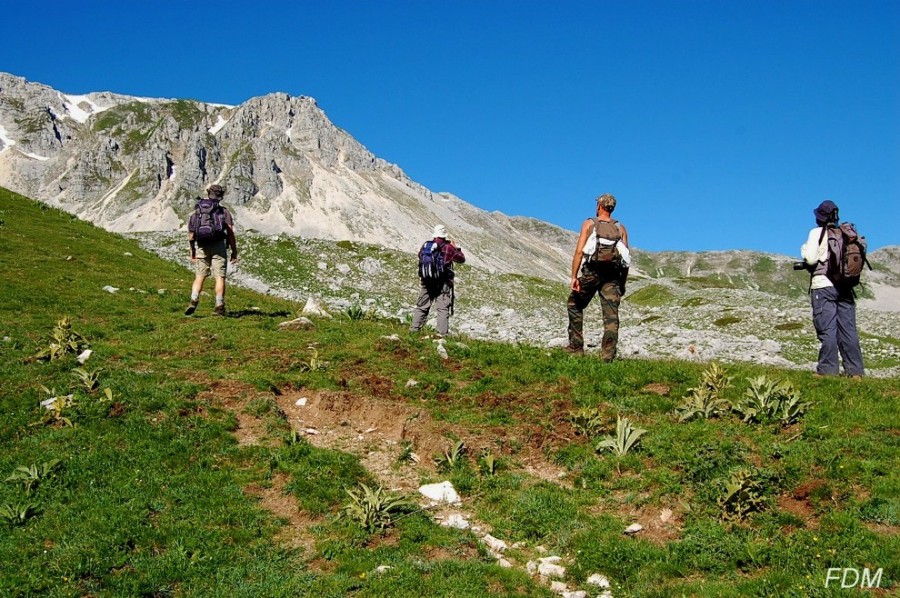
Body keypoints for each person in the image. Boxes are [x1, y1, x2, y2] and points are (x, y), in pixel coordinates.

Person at [800, 199, 864, 377]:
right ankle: (855, 371)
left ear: (819, 217)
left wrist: (804, 249)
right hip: (845, 287)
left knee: (827, 328)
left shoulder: (817, 233)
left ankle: (828, 370)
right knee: (848, 330)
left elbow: (811, 259)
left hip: (824, 286)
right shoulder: (846, 233)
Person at [566, 193, 630, 361]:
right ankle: (608, 356)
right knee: (611, 317)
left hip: (592, 274)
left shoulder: (589, 224)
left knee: (574, 304)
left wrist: (574, 276)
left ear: (599, 206)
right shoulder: (620, 228)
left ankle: (576, 347)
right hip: (613, 277)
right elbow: (626, 260)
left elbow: (580, 252)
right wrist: (622, 284)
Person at [184, 184, 238, 316]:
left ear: (209, 194)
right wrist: (234, 251)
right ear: (220, 196)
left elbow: (191, 235)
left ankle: (194, 299)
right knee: (219, 277)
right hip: (218, 246)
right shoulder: (224, 212)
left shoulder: (197, 212)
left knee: (199, 276)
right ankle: (219, 306)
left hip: (202, 246)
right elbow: (230, 233)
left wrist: (193, 251)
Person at [410, 224, 466, 336]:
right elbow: (461, 259)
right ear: (444, 235)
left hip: (427, 281)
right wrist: (456, 248)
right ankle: (442, 334)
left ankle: (414, 330)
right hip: (443, 283)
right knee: (442, 308)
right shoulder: (449, 247)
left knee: (422, 306)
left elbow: (420, 256)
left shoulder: (426, 245)